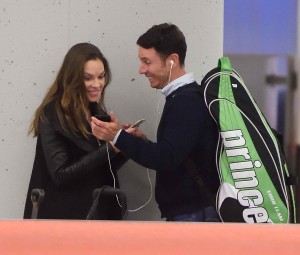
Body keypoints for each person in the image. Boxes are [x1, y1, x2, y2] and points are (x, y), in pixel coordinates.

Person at [91, 23, 220, 222]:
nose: (142, 70)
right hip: (192, 214)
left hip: (194, 216)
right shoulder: (184, 98)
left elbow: (166, 159)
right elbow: (175, 152)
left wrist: (117, 136)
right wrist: (140, 141)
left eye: (147, 61)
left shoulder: (186, 102)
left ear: (172, 61)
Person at [23, 43, 128, 220]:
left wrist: (124, 143)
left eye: (101, 76)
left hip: (96, 216)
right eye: (88, 78)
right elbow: (61, 175)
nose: (97, 84)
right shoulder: (52, 115)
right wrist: (110, 148)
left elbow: (101, 168)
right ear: (72, 78)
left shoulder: (99, 113)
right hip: (61, 220)